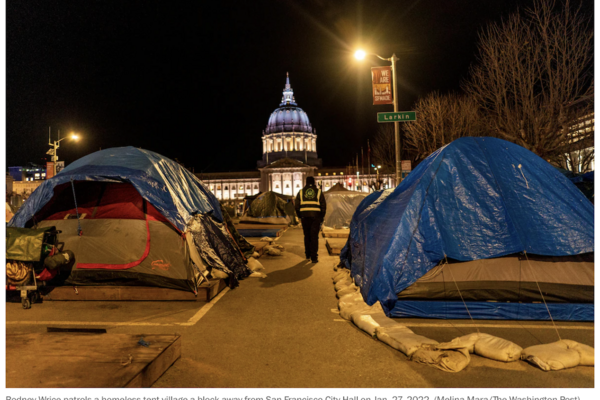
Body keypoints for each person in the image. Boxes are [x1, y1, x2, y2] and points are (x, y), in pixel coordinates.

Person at [295, 176, 326, 263]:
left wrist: (299, 216)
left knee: (307, 236)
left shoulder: (301, 192)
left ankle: (307, 255)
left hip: (304, 217)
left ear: (306, 182)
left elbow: (297, 206)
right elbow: (323, 206)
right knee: (314, 237)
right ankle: (314, 257)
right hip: (316, 217)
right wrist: (321, 217)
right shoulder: (319, 192)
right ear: (314, 182)